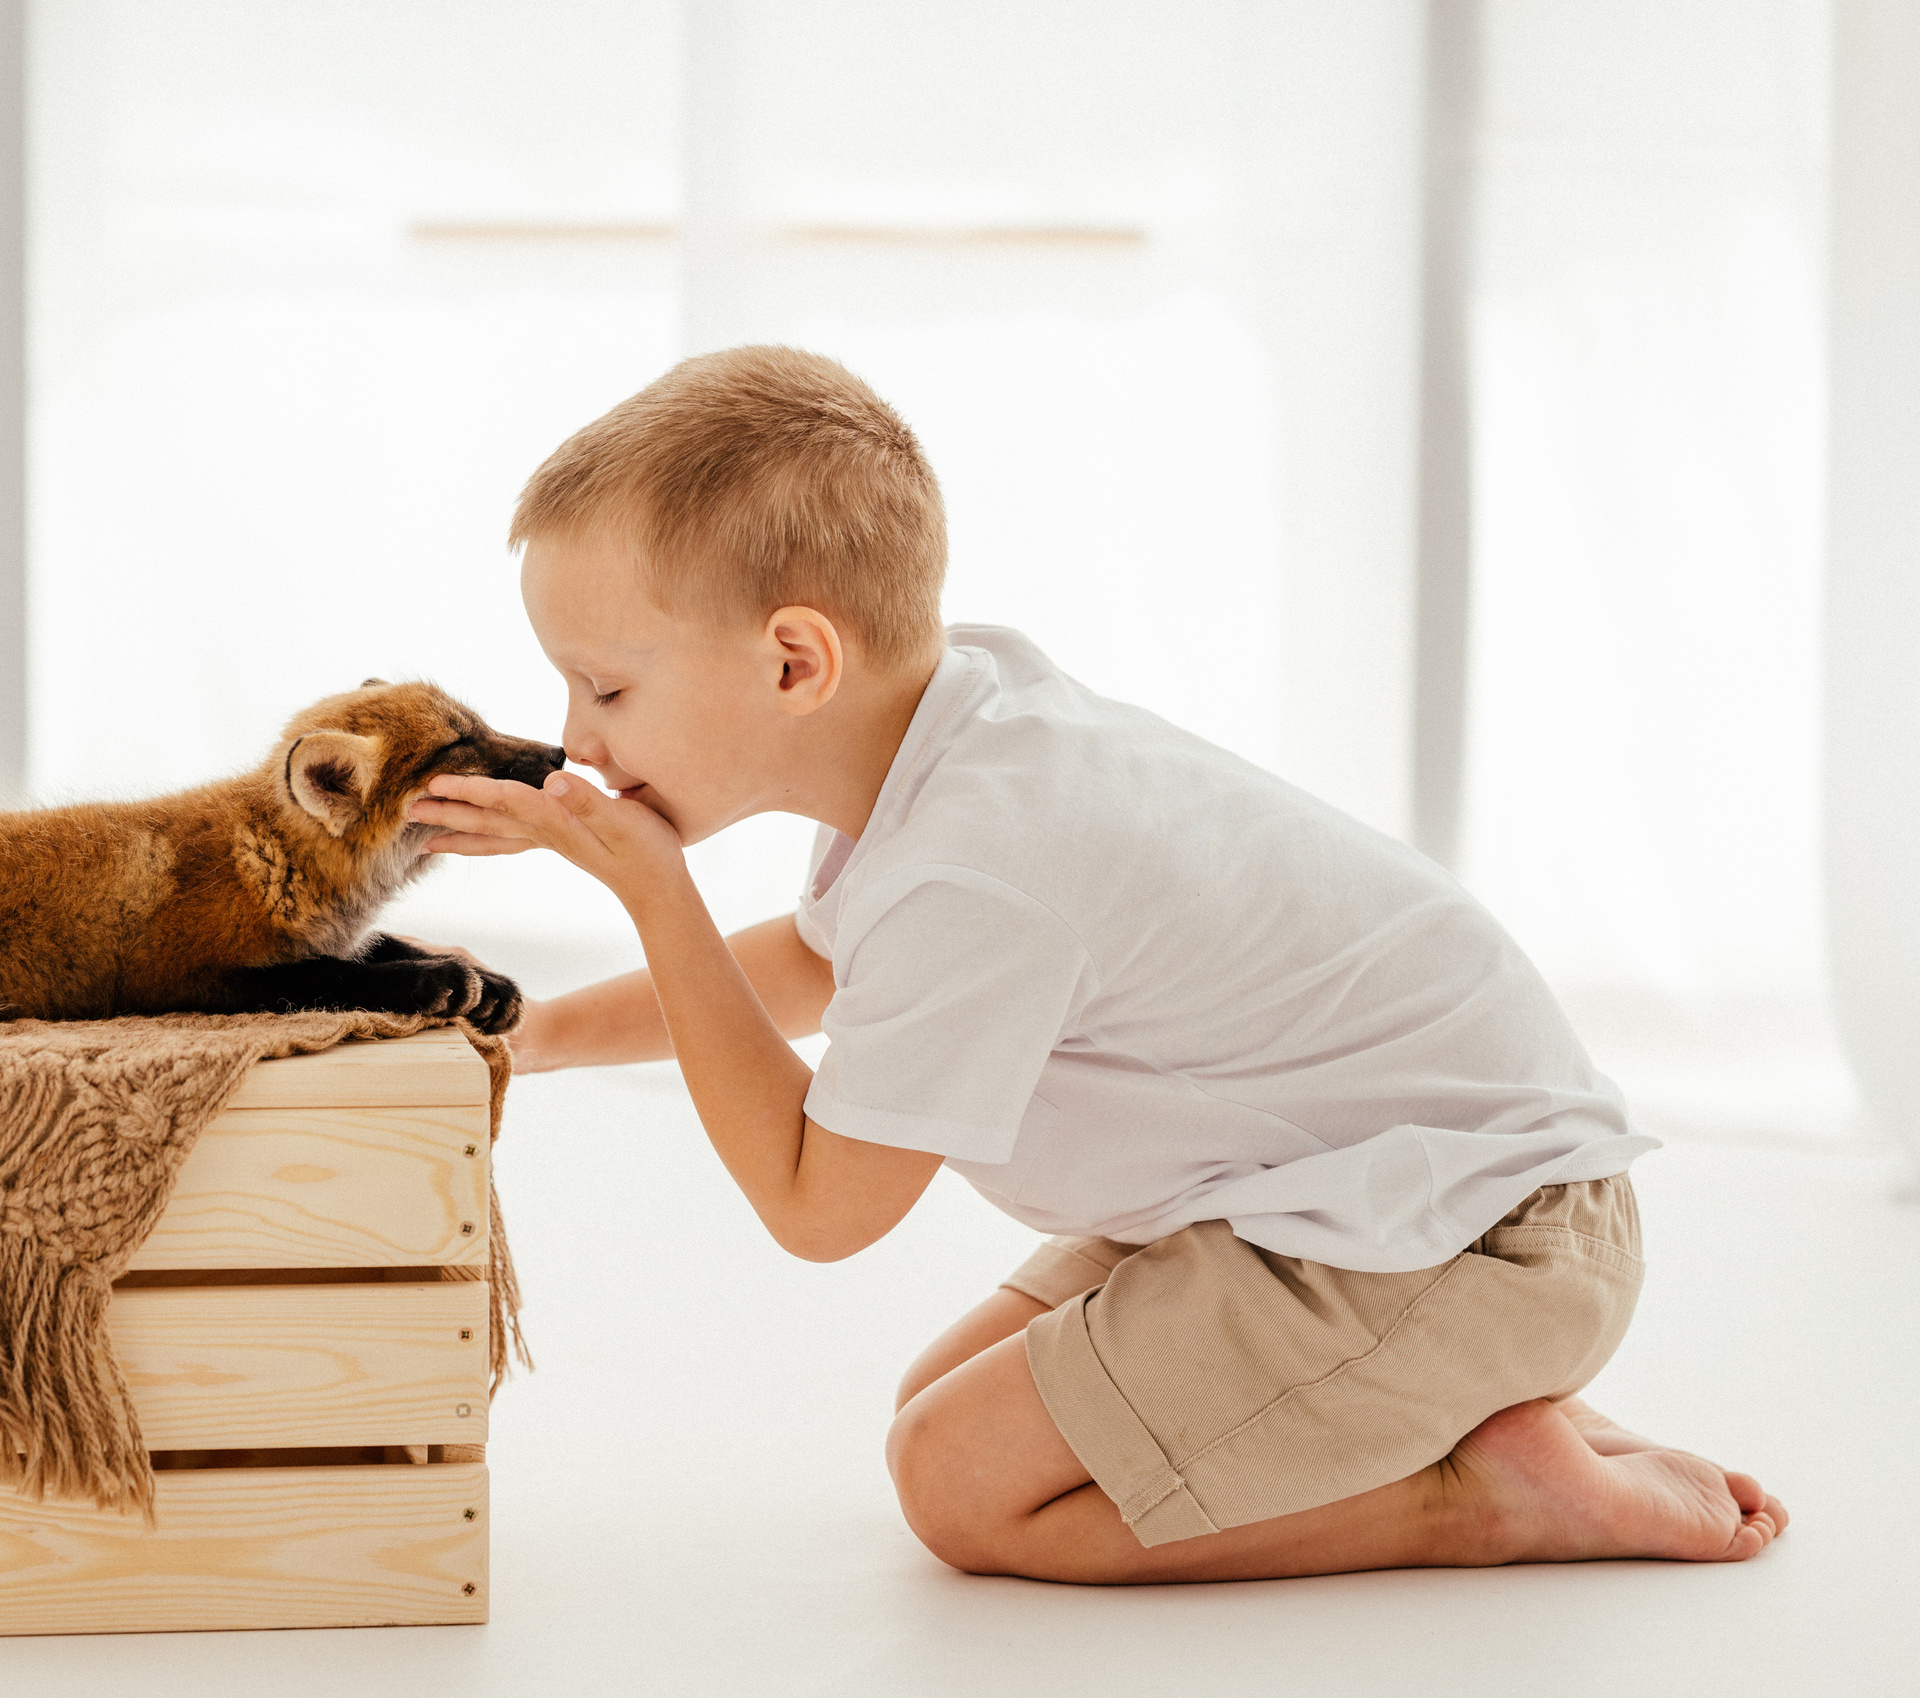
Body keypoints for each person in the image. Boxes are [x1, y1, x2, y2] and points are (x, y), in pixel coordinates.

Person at [407, 345, 1786, 1584]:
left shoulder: (980, 862)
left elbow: (818, 1207)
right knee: (939, 1398)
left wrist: (655, 895)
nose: (575, 738)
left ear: (793, 663)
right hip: (1346, 1195)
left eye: (606, 686)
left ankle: (1482, 1496)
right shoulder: (952, 732)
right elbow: (818, 966)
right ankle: (1452, 1400)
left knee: (962, 1491)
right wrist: (522, 1034)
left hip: (1487, 1237)